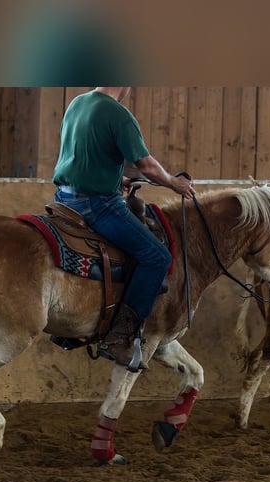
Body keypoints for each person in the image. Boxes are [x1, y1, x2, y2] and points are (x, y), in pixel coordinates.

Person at [53, 86, 195, 370]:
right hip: (98, 205)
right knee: (157, 257)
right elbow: (148, 166)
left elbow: (87, 156)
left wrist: (116, 177)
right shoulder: (119, 115)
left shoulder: (78, 103)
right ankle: (119, 337)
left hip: (64, 199)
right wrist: (174, 183)